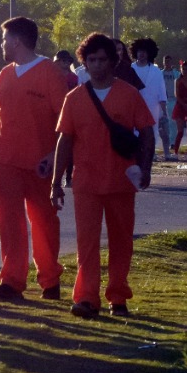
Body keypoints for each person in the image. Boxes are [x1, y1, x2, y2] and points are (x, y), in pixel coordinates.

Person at [51, 32, 154, 319]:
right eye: (91, 60)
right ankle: (86, 298)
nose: (97, 65)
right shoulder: (74, 98)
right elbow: (64, 141)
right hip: (86, 183)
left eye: (102, 59)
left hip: (121, 182)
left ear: (113, 61)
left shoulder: (129, 95)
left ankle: (118, 297)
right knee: (87, 244)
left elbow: (147, 133)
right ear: (84, 62)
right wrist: (56, 182)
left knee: (121, 242)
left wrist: (146, 168)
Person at [0, 17, 68, 302]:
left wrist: (54, 156)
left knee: (44, 222)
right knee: (9, 223)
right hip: (4, 160)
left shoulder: (49, 72)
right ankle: (12, 281)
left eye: (4, 39)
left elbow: (65, 121)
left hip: (39, 163)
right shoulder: (5, 74)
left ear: (17, 41)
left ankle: (50, 280)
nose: (2, 44)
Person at [130, 38, 172, 161]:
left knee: (152, 132)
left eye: (145, 51)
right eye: (139, 51)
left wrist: (164, 112)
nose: (142, 54)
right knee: (134, 131)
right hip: (133, 107)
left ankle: (150, 154)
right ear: (135, 52)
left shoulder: (156, 71)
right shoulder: (130, 69)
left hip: (152, 107)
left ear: (150, 53)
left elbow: (162, 93)